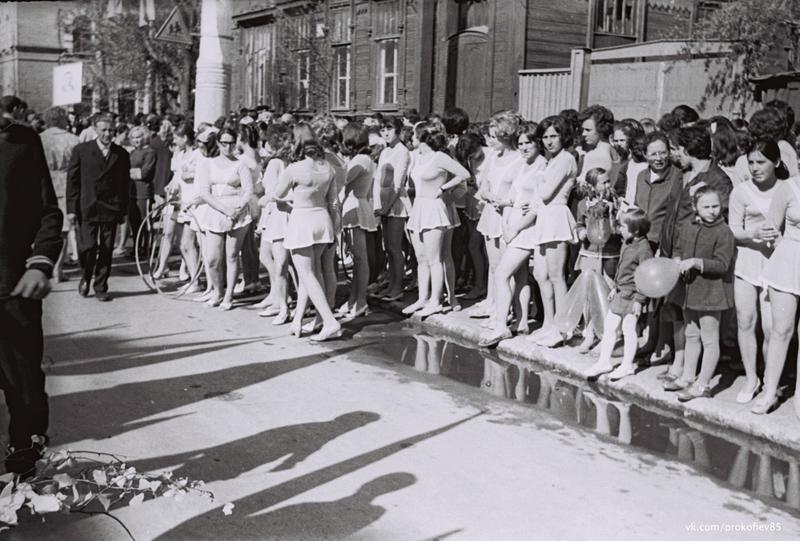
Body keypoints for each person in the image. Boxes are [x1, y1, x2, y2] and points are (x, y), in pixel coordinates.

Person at [0, 110, 63, 476]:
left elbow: (48, 213)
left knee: (24, 391)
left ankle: (21, 472)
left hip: (12, 289)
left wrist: (39, 264)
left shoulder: (22, 143)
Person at [666, 186, 735, 402]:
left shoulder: (724, 232)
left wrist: (696, 262)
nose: (712, 211)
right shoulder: (688, 226)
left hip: (711, 293)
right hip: (689, 291)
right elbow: (678, 247)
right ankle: (687, 377)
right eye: (706, 207)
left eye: (716, 206)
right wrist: (677, 259)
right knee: (691, 334)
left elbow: (722, 265)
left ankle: (702, 384)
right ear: (695, 207)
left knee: (710, 339)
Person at [274, 124, 342, 341]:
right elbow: (334, 203)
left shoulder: (294, 169)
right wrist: (336, 228)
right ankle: (299, 321)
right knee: (311, 274)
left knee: (307, 274)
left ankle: (330, 321)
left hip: (302, 222)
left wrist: (289, 199)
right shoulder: (328, 168)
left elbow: (277, 194)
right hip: (323, 221)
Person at [728, 139, 782, 404]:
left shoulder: (787, 190)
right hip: (746, 262)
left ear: (777, 162)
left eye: (761, 162)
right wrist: (755, 232)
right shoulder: (740, 192)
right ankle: (751, 378)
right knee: (746, 321)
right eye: (751, 162)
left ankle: (771, 381)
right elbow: (733, 230)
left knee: (772, 329)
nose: (755, 167)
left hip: (776, 265)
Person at [403, 123, 471, 317]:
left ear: (422, 136)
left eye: (414, 135)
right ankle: (422, 299)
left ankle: (436, 301)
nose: (411, 138)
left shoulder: (440, 156)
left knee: (435, 259)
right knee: (421, 258)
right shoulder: (418, 157)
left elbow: (464, 174)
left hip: (434, 209)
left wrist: (443, 188)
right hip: (419, 208)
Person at [67, 115, 131, 301]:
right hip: (87, 206)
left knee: (106, 248)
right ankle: (86, 276)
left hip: (110, 208)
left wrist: (123, 209)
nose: (107, 134)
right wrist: (71, 209)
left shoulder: (121, 154)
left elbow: (124, 184)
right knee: (88, 247)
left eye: (111, 130)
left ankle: (101, 286)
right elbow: (73, 182)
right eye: (103, 130)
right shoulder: (81, 151)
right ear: (95, 129)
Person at [584, 208, 653, 381]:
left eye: (622, 226)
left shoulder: (643, 249)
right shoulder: (627, 243)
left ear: (635, 230)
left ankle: (627, 365)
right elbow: (622, 268)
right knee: (610, 326)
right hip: (621, 292)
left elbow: (646, 276)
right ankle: (604, 362)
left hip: (633, 295)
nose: (619, 229)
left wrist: (639, 300)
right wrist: (615, 287)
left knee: (629, 329)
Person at [755, 159, 800, 416]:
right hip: (788, 264)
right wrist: (785, 246)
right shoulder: (788, 187)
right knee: (781, 330)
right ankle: (770, 391)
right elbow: (771, 225)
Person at [528, 116, 579, 346]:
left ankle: (562, 328)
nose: (549, 141)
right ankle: (548, 323)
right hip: (545, 218)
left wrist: (538, 177)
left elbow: (546, 193)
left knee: (557, 276)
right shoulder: (552, 160)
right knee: (541, 274)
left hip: (557, 217)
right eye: (545, 137)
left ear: (563, 137)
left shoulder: (566, 159)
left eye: (554, 136)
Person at [193, 127, 253, 310]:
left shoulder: (241, 165)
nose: (228, 147)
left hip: (237, 213)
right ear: (218, 143)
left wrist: (236, 210)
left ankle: (228, 296)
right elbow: (204, 192)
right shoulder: (208, 164)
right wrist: (225, 210)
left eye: (231, 143)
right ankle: (218, 291)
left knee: (232, 255)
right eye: (224, 143)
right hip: (216, 211)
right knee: (212, 258)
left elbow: (248, 191)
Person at [474, 112, 525, 319]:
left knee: (506, 267)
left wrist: (504, 202)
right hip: (491, 213)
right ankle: (493, 303)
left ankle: (506, 310)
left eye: (494, 137)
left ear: (506, 136)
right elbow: (484, 187)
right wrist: (489, 196)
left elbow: (520, 191)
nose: (490, 140)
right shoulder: (493, 158)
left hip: (508, 215)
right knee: (494, 264)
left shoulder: (520, 159)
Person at [338, 123, 377, 320]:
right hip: (355, 206)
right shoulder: (362, 159)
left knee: (360, 258)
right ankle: (354, 298)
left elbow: (341, 179)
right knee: (357, 258)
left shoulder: (361, 160)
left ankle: (361, 300)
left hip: (355, 207)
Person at [39, 106, 80, 283]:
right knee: (63, 229)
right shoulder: (73, 140)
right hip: (66, 184)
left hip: (43, 184)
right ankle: (58, 268)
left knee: (44, 228)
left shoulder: (39, 139)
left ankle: (43, 265)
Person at [374, 117, 411, 301]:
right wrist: (378, 205)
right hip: (383, 204)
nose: (386, 133)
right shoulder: (385, 151)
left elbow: (398, 184)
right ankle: (391, 284)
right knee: (388, 247)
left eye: (389, 129)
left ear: (398, 130)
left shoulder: (402, 151)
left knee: (395, 247)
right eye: (382, 129)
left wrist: (387, 207)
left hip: (396, 204)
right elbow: (378, 179)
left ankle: (398, 287)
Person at [127, 125, 156, 254]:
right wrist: (134, 172)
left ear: (144, 137)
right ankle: (136, 247)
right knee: (134, 221)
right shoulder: (133, 152)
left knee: (145, 221)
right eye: (134, 137)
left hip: (144, 191)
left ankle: (147, 247)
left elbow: (145, 173)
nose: (136, 140)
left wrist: (129, 173)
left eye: (138, 137)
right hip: (132, 192)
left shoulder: (149, 152)